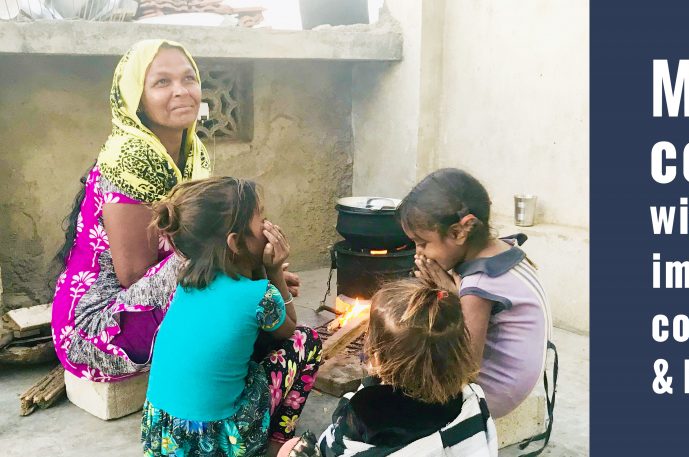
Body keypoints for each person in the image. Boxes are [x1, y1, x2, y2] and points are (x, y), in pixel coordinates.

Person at [50, 38, 300, 382]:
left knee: (241, 247)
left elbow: (203, 239)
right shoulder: (130, 160)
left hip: (156, 296)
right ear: (137, 98)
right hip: (101, 328)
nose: (181, 91)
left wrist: (259, 277)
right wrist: (252, 278)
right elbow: (135, 277)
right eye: (162, 82)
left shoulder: (194, 152)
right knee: (229, 262)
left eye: (189, 79)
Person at [140, 177, 322, 457]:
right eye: (261, 220)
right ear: (235, 242)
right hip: (223, 440)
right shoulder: (259, 294)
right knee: (307, 340)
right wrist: (274, 273)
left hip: (164, 438)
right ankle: (277, 442)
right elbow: (288, 331)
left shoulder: (186, 282)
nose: (268, 227)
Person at [396, 168, 552, 419]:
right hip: (520, 379)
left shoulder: (478, 285)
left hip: (491, 394)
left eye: (423, 242)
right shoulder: (501, 250)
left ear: (460, 231)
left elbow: (464, 367)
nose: (419, 253)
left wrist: (449, 296)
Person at [281, 277, 497, 457]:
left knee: (291, 449)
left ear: (377, 357)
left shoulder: (360, 416)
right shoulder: (473, 397)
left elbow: (332, 449)